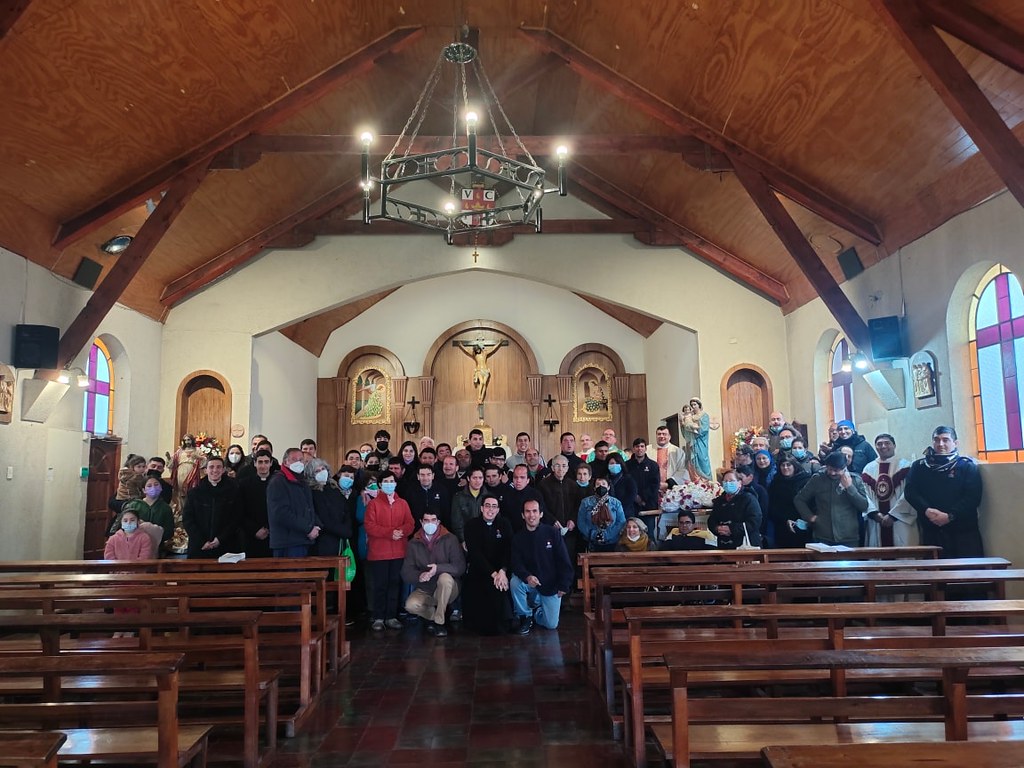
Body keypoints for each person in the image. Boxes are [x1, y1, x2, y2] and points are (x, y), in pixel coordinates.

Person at [904, 426, 983, 558]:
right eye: (937, 440)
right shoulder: (919, 466)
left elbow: (973, 497)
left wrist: (950, 516)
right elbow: (910, 492)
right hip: (931, 529)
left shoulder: (967, 466)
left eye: (945, 440)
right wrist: (926, 510)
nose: (941, 444)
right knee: (934, 573)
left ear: (955, 443)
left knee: (966, 575)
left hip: (962, 531)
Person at [510, 500, 573, 634]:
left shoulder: (553, 533)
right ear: (522, 515)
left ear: (541, 514)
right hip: (530, 582)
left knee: (551, 625)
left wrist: (564, 585)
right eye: (527, 511)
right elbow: (516, 564)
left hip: (551, 584)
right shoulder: (518, 537)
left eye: (534, 511)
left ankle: (537, 612)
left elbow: (564, 561)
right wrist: (527, 577)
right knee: (515, 582)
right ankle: (525, 616)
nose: (531, 515)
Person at [401, 511, 465, 637]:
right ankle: (433, 617)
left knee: (445, 578)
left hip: (449, 587)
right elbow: (406, 572)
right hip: (426, 588)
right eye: (426, 520)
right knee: (410, 605)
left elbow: (460, 567)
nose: (430, 523)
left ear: (438, 522)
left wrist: (438, 568)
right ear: (421, 522)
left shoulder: (450, 539)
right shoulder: (413, 543)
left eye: (433, 520)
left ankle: (439, 623)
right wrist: (419, 575)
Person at [364, 470, 415, 631]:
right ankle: (378, 617)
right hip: (379, 552)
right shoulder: (373, 504)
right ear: (380, 485)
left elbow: (410, 523)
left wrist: (401, 531)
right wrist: (389, 533)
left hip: (399, 551)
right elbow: (370, 526)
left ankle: (391, 616)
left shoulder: (403, 503)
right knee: (380, 585)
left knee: (394, 584)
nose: (389, 484)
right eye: (385, 481)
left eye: (391, 481)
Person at [794, 451, 869, 548]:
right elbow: (799, 499)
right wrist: (810, 517)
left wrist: (850, 487)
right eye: (829, 469)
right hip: (823, 536)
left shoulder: (855, 480)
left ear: (844, 467)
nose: (832, 473)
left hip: (849, 537)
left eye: (836, 470)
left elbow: (864, 506)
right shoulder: (818, 479)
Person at [463, 495, 514, 635]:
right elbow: (475, 553)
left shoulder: (505, 524)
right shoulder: (471, 525)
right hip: (480, 570)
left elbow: (508, 550)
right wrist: (494, 574)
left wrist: (502, 571)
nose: (490, 509)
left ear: (498, 509)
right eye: (487, 505)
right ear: (481, 508)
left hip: (501, 571)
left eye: (494, 506)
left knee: (501, 588)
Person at [861, 434, 917, 548]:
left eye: (887, 443)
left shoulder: (906, 466)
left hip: (900, 521)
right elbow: (864, 494)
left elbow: (909, 493)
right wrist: (874, 513)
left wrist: (893, 515)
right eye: (879, 444)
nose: (883, 446)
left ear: (894, 445)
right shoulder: (868, 468)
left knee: (903, 556)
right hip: (877, 520)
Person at [182, 455, 239, 559]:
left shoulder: (233, 491)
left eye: (218, 467)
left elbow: (235, 519)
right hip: (199, 546)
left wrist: (220, 539)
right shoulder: (195, 493)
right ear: (206, 470)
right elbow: (188, 519)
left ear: (223, 470)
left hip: (225, 545)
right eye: (211, 467)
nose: (215, 470)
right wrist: (202, 541)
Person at [266, 448, 319, 558]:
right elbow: (281, 513)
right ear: (285, 462)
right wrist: (308, 528)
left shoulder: (301, 481)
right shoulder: (278, 482)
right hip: (287, 542)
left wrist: (316, 525)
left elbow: (308, 507)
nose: (298, 463)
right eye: (294, 460)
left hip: (300, 539)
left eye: (301, 460)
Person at [307, 458, 354, 559]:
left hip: (341, 539)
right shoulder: (312, 492)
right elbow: (322, 517)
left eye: (323, 469)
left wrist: (347, 528)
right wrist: (342, 530)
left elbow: (346, 510)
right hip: (324, 540)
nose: (321, 472)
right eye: (317, 471)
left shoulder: (334, 488)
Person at [708, 469, 762, 548]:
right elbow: (712, 520)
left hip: (745, 543)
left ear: (740, 483)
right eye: (725, 481)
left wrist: (732, 529)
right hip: (723, 544)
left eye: (732, 481)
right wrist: (717, 528)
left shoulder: (749, 499)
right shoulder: (719, 501)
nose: (728, 483)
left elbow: (755, 521)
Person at [121, 475, 175, 554]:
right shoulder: (134, 505)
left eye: (156, 485)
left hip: (156, 549)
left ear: (161, 487)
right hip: (133, 546)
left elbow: (169, 531)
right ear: (144, 490)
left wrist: (154, 530)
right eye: (149, 486)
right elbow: (122, 526)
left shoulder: (165, 508)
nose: (153, 488)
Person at [768, 453, 812, 549]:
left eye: (788, 465)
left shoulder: (806, 480)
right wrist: (785, 520)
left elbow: (811, 503)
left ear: (794, 466)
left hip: (802, 524)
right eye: (782, 465)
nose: (785, 467)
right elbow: (772, 506)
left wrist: (803, 520)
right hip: (782, 526)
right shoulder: (776, 482)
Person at [235, 448, 274, 558]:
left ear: (271, 463)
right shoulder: (244, 484)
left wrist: (268, 528)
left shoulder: (278, 483)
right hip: (251, 535)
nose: (263, 465)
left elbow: (280, 510)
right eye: (260, 462)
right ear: (255, 463)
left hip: (272, 534)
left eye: (266, 462)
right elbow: (239, 511)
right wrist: (254, 530)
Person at [577, 477, 626, 552]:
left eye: (603, 484)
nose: (601, 486)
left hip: (612, 542)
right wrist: (593, 534)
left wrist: (606, 535)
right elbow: (581, 522)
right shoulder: (585, 502)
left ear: (608, 487)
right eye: (598, 484)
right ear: (594, 488)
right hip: (591, 542)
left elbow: (621, 522)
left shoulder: (616, 503)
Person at [450, 467, 485, 544]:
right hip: (465, 539)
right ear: (468, 479)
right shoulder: (458, 497)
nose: (478, 481)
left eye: (480, 478)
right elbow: (457, 522)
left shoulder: (489, 496)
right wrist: (463, 539)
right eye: (474, 478)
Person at [625, 437, 660, 512]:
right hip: (631, 504)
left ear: (645, 449)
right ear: (633, 449)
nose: (639, 449)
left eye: (642, 446)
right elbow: (625, 484)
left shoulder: (653, 465)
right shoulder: (626, 465)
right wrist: (635, 496)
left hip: (649, 504)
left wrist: (642, 497)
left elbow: (655, 484)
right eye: (637, 446)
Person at [653, 425, 689, 494]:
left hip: (672, 489)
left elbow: (683, 470)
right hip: (653, 489)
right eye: (659, 434)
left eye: (664, 434)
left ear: (669, 437)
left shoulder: (677, 451)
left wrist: (668, 484)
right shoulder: (648, 451)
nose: (661, 436)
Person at [684, 397, 713, 479]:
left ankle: (707, 481)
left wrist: (693, 429)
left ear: (699, 405)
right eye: (692, 405)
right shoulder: (690, 416)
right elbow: (685, 428)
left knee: (703, 459)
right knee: (692, 461)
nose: (693, 406)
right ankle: (696, 481)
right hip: (692, 442)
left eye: (695, 404)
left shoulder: (704, 415)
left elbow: (704, 429)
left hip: (701, 441)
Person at [605, 453, 637, 519]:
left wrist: (619, 508)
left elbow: (632, 495)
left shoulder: (628, 479)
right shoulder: (604, 480)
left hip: (625, 513)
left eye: (617, 463)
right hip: (607, 514)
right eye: (612, 463)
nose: (614, 465)